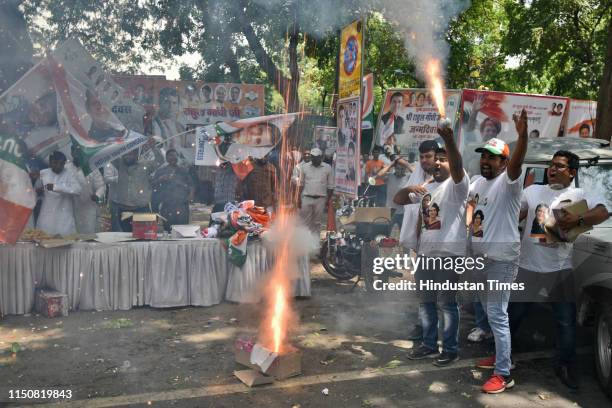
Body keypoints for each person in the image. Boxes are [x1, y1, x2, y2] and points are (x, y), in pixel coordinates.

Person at [509, 150, 609, 390]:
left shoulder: (579, 194)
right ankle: (503, 357)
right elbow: (514, 211)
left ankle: (565, 364)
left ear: (572, 172)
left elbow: (603, 211)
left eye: (560, 166)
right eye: (552, 165)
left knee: (565, 322)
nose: (553, 169)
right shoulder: (533, 191)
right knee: (513, 317)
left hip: (559, 269)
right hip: (527, 267)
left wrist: (578, 220)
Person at [469, 109, 529, 394]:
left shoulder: (509, 182)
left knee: (497, 313)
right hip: (481, 259)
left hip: (501, 260)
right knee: (489, 311)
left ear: (503, 163)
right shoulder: (479, 183)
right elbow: (472, 207)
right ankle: (502, 357)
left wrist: (522, 135)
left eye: (492, 157)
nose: (485, 160)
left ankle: (504, 373)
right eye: (484, 155)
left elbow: (517, 164)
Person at [403, 124, 469, 367]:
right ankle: (429, 345)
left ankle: (450, 349)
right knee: (426, 301)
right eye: (436, 159)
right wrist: (409, 189)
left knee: (447, 303)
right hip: (426, 254)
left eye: (444, 159)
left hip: (449, 255)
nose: (439, 163)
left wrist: (449, 139)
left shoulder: (458, 186)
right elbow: (399, 200)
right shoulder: (427, 188)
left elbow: (458, 166)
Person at [393, 139, 438, 342]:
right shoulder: (418, 177)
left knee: (442, 293)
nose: (424, 160)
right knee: (424, 288)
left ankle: (439, 333)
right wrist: (411, 188)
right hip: (423, 245)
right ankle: (424, 326)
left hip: (443, 245)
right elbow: (402, 200)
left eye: (428, 156)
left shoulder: (448, 180)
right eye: (421, 157)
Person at [107, 138, 164, 232]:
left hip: (141, 209)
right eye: (126, 154)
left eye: (131, 154)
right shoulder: (119, 164)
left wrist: (153, 147)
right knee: (126, 238)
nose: (128, 156)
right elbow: (109, 155)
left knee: (142, 238)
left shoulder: (145, 165)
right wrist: (113, 143)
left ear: (136, 154)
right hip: (124, 210)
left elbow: (160, 161)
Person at [36, 151, 82, 235]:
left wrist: (56, 187)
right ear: (50, 162)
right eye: (55, 163)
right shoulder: (43, 173)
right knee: (44, 241)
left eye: (61, 164)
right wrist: (39, 192)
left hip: (64, 217)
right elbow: (37, 190)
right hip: (47, 216)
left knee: (65, 244)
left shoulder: (69, 174)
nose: (58, 166)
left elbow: (78, 190)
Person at [152, 149, 194, 231]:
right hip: (167, 206)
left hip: (182, 205)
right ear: (166, 158)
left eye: (175, 156)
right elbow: (153, 185)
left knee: (182, 229)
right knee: (168, 229)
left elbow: (191, 185)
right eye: (170, 155)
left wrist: (191, 195)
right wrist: (161, 179)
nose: (173, 157)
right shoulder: (161, 171)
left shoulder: (183, 170)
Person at [69, 144, 105, 234]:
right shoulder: (66, 168)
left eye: (79, 151)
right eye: (75, 151)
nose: (77, 154)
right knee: (71, 238)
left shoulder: (91, 168)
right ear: (71, 153)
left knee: (88, 237)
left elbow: (101, 186)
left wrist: (97, 195)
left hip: (88, 209)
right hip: (69, 210)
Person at [298, 148, 334, 234]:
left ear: (321, 157)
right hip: (307, 197)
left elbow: (331, 186)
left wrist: (327, 200)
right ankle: (305, 241)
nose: (314, 159)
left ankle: (315, 242)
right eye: (313, 157)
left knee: (317, 222)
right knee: (305, 221)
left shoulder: (327, 168)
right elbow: (301, 184)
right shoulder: (304, 167)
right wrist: (298, 198)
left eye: (316, 157)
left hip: (320, 199)